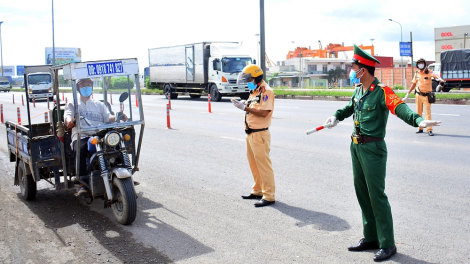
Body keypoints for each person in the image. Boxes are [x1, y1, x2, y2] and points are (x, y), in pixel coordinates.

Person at [323, 44, 441, 262]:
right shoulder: (359, 90)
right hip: (356, 147)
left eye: (354, 66)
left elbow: (399, 107)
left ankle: (387, 243)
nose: (351, 70)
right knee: (362, 194)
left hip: (373, 149)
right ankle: (371, 237)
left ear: (363, 69)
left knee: (377, 196)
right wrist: (335, 116)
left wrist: (418, 120)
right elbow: (350, 107)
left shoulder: (382, 91)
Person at [64, 78, 129, 195]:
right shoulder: (72, 104)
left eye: (89, 84)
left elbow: (109, 118)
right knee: (81, 148)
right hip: (81, 135)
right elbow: (68, 117)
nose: (87, 86)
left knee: (117, 144)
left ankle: (125, 175)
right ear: (78, 88)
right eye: (84, 84)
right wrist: (70, 121)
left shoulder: (99, 105)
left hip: (99, 135)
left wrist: (119, 116)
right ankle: (81, 182)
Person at [232, 64, 276, 207]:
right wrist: (246, 103)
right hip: (250, 133)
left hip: (259, 134)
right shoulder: (254, 91)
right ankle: (258, 190)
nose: (247, 82)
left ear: (256, 78)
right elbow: (255, 107)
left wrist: (244, 108)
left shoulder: (266, 91)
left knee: (264, 166)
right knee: (254, 164)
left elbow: (264, 112)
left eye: (249, 79)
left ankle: (268, 196)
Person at [403, 58, 444, 136]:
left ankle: (429, 129)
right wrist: (408, 93)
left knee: (428, 113)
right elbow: (414, 84)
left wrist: (438, 78)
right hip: (418, 95)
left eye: (422, 63)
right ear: (417, 65)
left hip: (427, 96)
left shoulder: (428, 72)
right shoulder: (417, 73)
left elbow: (434, 74)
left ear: (424, 64)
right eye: (419, 63)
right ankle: (420, 128)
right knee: (418, 112)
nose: (420, 64)